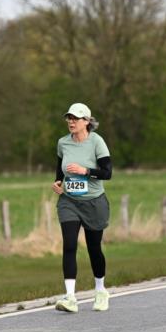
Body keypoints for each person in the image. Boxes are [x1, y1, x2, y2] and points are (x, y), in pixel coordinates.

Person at [52, 103, 112, 313]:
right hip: (69, 201)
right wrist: (58, 183)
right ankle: (70, 297)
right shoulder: (63, 143)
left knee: (94, 248)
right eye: (69, 118)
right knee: (69, 245)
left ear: (86, 121)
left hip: (94, 202)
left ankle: (101, 290)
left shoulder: (97, 142)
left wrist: (85, 170)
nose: (71, 122)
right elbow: (60, 169)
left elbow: (107, 172)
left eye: (75, 118)